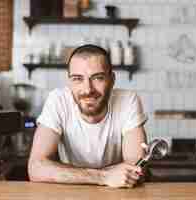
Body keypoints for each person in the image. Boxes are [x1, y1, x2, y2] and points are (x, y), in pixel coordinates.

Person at [28, 44, 149, 188]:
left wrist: (71, 174)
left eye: (98, 78)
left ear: (112, 80)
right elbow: (36, 168)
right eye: (77, 79)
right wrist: (103, 177)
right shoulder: (58, 100)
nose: (88, 89)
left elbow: (135, 169)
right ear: (69, 81)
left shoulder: (128, 101)